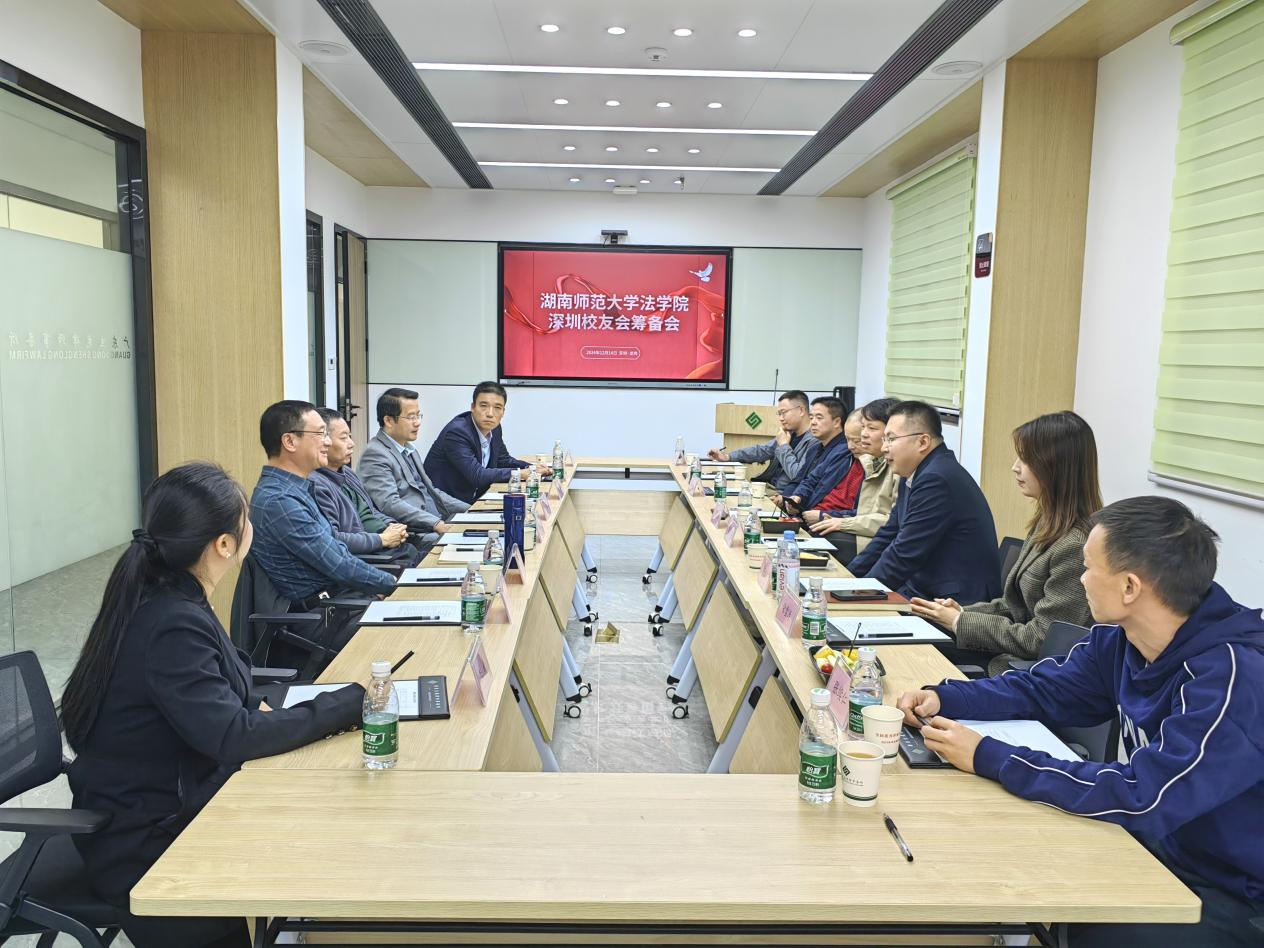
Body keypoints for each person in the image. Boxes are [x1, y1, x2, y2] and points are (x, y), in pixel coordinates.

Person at [897, 497, 1264, 947]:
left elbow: (1144, 796)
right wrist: (946, 697)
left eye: (1089, 568)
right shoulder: (1122, 639)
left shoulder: (1232, 678)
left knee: (1094, 928)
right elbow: (1041, 690)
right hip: (1162, 845)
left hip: (1234, 888)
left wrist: (989, 755)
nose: (1082, 579)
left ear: (1129, 587)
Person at [61, 463, 364, 948]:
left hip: (172, 801)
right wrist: (347, 704)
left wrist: (262, 710)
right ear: (224, 544)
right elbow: (231, 736)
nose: (252, 527)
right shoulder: (171, 621)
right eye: (246, 520)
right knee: (323, 840)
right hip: (150, 846)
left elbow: (223, 699)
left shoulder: (173, 596)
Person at [911, 411, 1101, 675]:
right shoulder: (1047, 524)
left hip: (1023, 672)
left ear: (1057, 466)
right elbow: (1014, 608)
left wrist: (959, 621)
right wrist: (960, 612)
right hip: (1005, 655)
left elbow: (1042, 639)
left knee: (918, 664)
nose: (1015, 467)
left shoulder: (1076, 546)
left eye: (1026, 459)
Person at [847, 400, 1001, 603]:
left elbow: (904, 553)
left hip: (955, 600)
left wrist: (857, 594)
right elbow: (889, 534)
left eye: (891, 439)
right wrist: (848, 579)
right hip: (925, 589)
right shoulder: (914, 471)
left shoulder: (936, 479)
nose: (884, 448)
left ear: (923, 442)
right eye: (884, 439)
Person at [249, 400, 397, 606]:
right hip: (324, 612)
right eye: (320, 434)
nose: (327, 442)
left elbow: (337, 551)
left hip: (340, 599)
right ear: (290, 441)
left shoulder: (295, 488)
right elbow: (338, 564)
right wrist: (394, 584)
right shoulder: (280, 501)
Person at [311, 408, 421, 568]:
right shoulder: (317, 484)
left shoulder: (347, 472)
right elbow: (333, 540)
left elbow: (371, 510)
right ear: (323, 441)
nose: (351, 443)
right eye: (343, 438)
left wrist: (392, 526)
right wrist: (382, 539)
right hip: (371, 558)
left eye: (349, 436)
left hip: (390, 546)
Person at [359, 387, 468, 546]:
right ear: (388, 420)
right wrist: (435, 523)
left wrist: (471, 510)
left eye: (418, 415)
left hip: (434, 524)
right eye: (411, 417)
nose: (417, 422)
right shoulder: (375, 454)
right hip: (412, 534)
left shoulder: (409, 449)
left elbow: (432, 492)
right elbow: (390, 504)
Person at [809, 396, 901, 560]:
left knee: (824, 536)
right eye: (863, 427)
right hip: (865, 529)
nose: (864, 434)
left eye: (871, 428)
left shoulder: (900, 467)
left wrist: (841, 521)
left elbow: (891, 522)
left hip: (881, 539)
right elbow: (811, 479)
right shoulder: (870, 461)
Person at [423, 381, 545, 504]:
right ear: (473, 407)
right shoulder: (457, 432)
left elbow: (503, 460)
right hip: (445, 505)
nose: (490, 414)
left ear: (503, 412)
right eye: (484, 406)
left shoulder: (495, 428)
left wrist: (531, 468)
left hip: (473, 499)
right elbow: (477, 475)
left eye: (497, 408)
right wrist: (520, 474)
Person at [707, 390, 820, 494]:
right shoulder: (789, 433)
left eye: (784, 412)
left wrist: (784, 446)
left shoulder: (815, 441)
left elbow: (797, 476)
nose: (781, 418)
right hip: (769, 488)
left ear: (801, 410)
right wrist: (727, 457)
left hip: (785, 495)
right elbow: (761, 451)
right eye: (779, 414)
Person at [774, 396, 853, 516]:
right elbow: (798, 480)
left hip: (821, 513)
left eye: (819, 418)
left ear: (837, 422)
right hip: (800, 506)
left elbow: (822, 488)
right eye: (811, 417)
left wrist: (798, 506)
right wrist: (786, 499)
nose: (813, 422)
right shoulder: (814, 448)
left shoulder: (844, 450)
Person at [800, 409, 865, 525]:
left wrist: (823, 516)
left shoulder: (875, 468)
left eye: (857, 441)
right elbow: (811, 479)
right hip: (811, 513)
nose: (850, 446)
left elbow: (866, 515)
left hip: (836, 522)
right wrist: (798, 497)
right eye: (847, 439)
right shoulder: (841, 453)